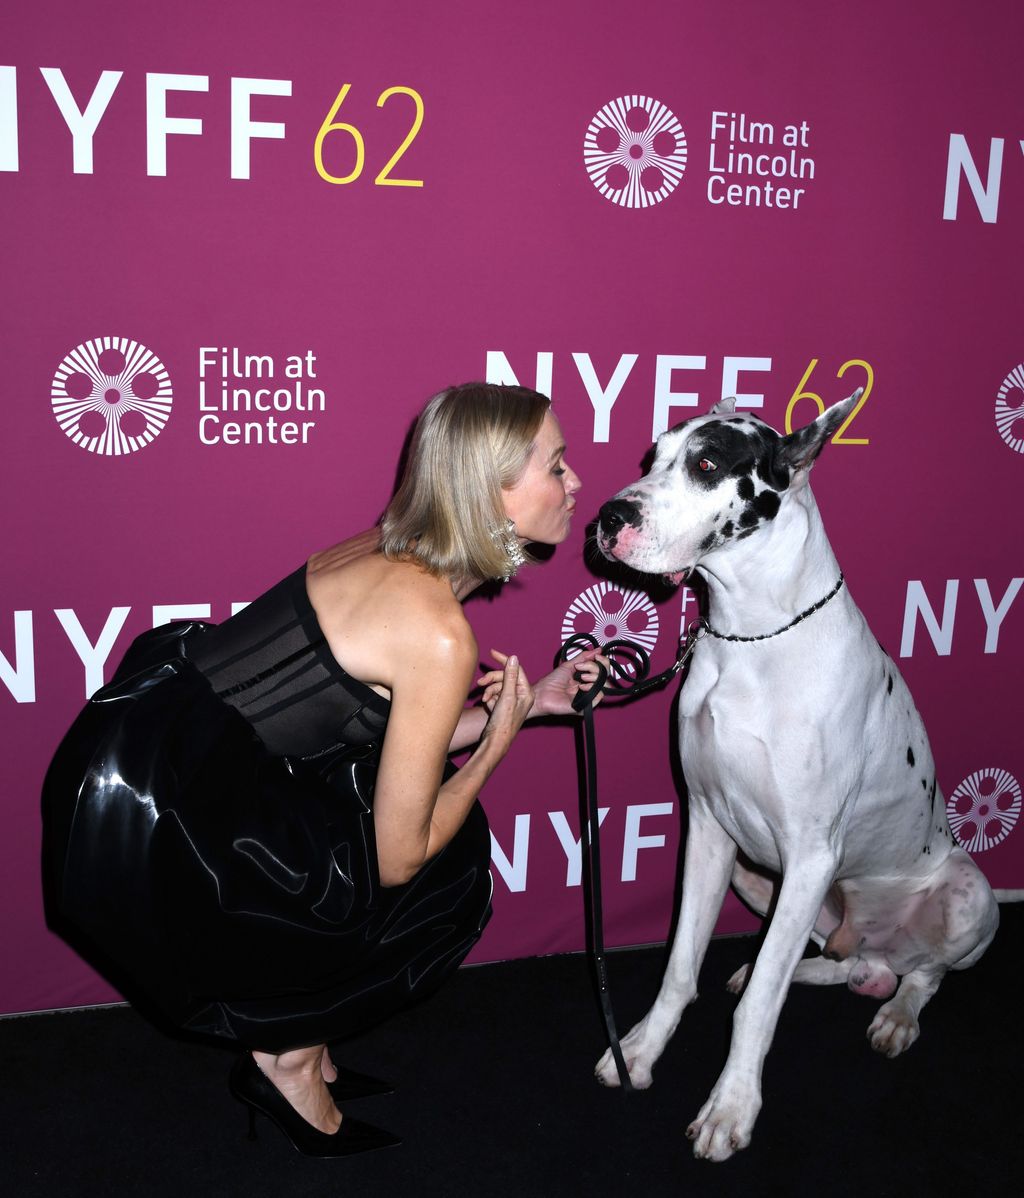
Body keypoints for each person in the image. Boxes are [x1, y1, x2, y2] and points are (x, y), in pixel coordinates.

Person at [42, 382, 603, 1158]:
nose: (576, 482)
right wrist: (499, 742)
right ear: (489, 490)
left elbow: (374, 730)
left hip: (167, 752)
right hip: (169, 819)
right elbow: (399, 856)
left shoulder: (386, 546)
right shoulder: (437, 631)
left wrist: (532, 702)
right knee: (442, 874)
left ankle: (296, 1034)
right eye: (557, 465)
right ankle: (288, 1054)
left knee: (414, 821)